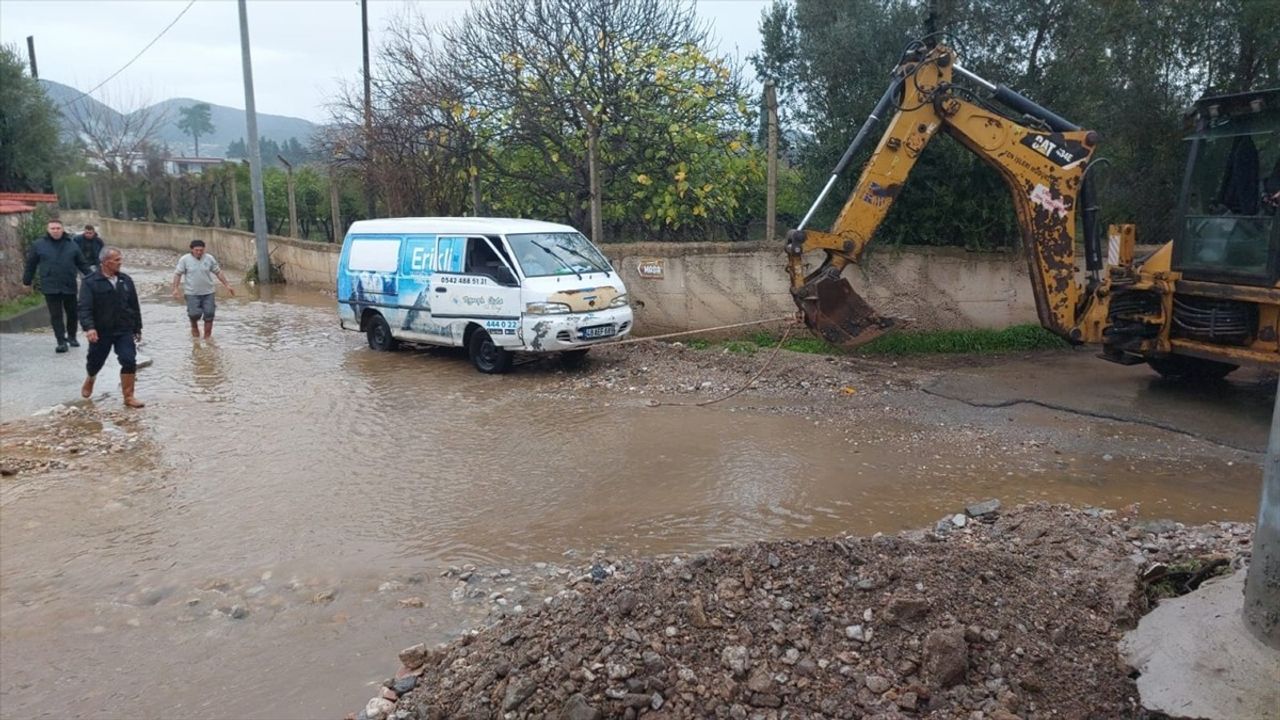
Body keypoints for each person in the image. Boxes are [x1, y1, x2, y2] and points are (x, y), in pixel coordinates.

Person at [78, 246, 145, 408]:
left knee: (129, 359)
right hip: (101, 331)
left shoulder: (126, 280)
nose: (120, 263)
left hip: (123, 329)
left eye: (120, 259)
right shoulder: (90, 282)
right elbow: (84, 307)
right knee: (95, 361)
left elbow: (134, 305)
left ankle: (129, 396)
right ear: (105, 262)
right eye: (117, 260)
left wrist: (137, 328)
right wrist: (89, 328)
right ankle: (91, 377)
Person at [22, 218, 91, 353]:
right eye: (52, 228)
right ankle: (61, 341)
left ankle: (71, 336)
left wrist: (93, 278)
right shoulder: (39, 245)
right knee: (56, 315)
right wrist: (26, 281)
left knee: (72, 312)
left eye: (58, 228)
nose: (55, 231)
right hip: (50, 284)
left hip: (68, 283)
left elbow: (82, 263)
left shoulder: (71, 244)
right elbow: (31, 264)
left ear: (62, 229)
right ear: (48, 230)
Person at [172, 239, 235, 339]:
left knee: (209, 315)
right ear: (191, 249)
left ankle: (207, 339)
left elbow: (218, 272)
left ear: (204, 249)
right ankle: (194, 326)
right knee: (194, 314)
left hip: (208, 292)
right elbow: (178, 274)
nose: (199, 252)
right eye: (196, 250)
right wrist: (175, 288)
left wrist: (227, 285)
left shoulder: (209, 258)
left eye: (201, 250)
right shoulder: (185, 260)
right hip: (192, 293)